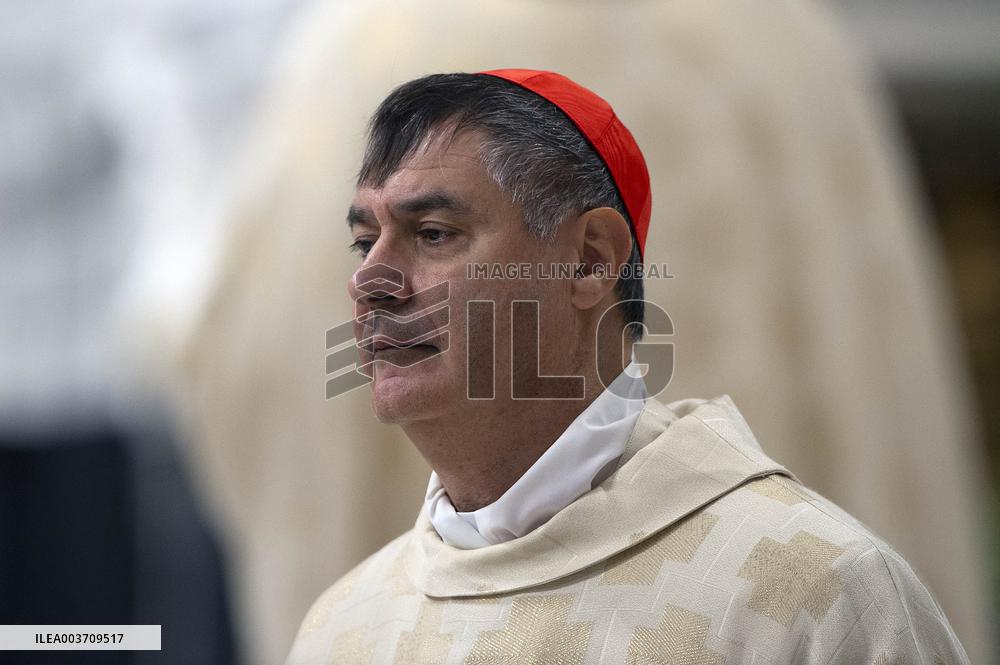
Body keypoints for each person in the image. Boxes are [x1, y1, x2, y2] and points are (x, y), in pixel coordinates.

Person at [284, 70, 970, 665]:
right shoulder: (341, 627)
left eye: (432, 234)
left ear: (590, 259)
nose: (370, 279)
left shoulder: (813, 592)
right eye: (365, 241)